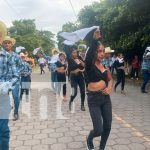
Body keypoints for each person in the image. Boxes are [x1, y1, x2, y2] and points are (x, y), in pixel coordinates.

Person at [85, 29, 113, 150]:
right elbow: (89, 54)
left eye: (103, 51)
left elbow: (110, 80)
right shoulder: (89, 66)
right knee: (98, 129)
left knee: (107, 127)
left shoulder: (105, 66)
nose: (102, 53)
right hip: (94, 100)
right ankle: (89, 138)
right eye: (99, 51)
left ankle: (102, 148)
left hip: (105, 99)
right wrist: (95, 40)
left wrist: (110, 87)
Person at [0, 36, 19, 149]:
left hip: (3, 93)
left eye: (9, 43)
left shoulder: (12, 57)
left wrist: (6, 86)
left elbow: (16, 75)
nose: (7, 44)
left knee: (3, 130)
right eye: (5, 43)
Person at [67, 45, 86, 111]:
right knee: (74, 93)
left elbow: (84, 67)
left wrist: (81, 64)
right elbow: (71, 69)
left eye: (76, 52)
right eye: (73, 52)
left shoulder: (79, 59)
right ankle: (71, 101)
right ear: (71, 53)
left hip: (80, 77)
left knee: (83, 91)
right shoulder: (70, 60)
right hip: (73, 77)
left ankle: (82, 105)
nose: (75, 54)